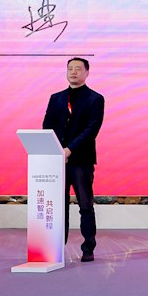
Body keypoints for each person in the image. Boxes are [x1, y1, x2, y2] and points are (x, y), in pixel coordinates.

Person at [42, 57, 105, 263]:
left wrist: (69, 150)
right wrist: (54, 151)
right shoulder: (56, 98)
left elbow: (91, 129)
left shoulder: (95, 99)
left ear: (87, 73)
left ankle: (88, 247)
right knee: (58, 205)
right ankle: (56, 247)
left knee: (85, 205)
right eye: (70, 69)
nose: (73, 72)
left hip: (81, 160)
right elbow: (47, 126)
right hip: (57, 160)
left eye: (78, 69)